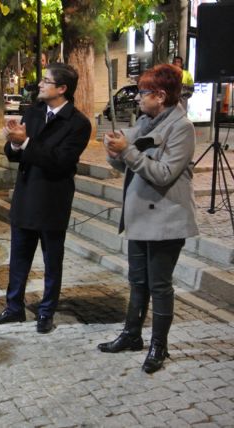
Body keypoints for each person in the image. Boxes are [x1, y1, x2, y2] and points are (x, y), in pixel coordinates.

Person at [98, 64, 198, 374]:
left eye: (142, 93)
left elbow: (164, 173)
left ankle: (159, 346)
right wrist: (114, 152)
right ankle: (132, 335)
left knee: (159, 285)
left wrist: (127, 151)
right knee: (137, 281)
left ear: (161, 95)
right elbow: (128, 166)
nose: (138, 98)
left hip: (166, 218)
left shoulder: (182, 127)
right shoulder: (144, 122)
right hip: (139, 214)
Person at [0, 63, 91, 333]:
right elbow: (14, 154)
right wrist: (14, 142)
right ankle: (14, 307)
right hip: (26, 195)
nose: (40, 84)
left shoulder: (78, 123)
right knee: (18, 258)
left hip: (53, 200)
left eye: (46, 81)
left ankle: (46, 312)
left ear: (62, 88)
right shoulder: (33, 113)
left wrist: (26, 143)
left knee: (52, 262)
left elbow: (61, 161)